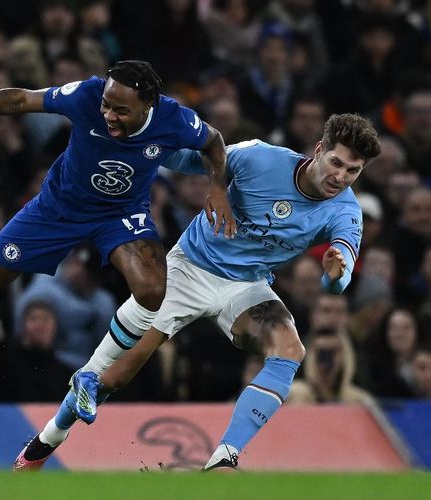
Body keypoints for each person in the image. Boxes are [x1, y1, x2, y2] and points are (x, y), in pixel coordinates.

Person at [0, 59, 233, 467]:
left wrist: (217, 188)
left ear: (148, 104)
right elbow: (22, 99)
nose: (108, 115)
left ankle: (90, 375)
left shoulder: (175, 119)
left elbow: (214, 142)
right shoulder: (88, 95)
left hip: (120, 215)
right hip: (58, 209)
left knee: (152, 290)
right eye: (107, 106)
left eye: (120, 110)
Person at [48, 113, 381, 471]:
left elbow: (338, 277)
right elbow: (193, 158)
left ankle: (226, 456)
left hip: (246, 286)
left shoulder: (347, 210)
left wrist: (335, 274)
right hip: (190, 268)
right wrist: (142, 146)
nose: (340, 177)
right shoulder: (260, 158)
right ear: (319, 150)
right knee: (114, 377)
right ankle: (47, 440)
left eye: (353, 171)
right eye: (336, 163)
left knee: (290, 349)